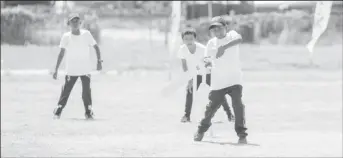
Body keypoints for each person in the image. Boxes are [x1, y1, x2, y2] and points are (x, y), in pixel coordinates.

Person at [193, 16, 248, 144]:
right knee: (211, 108)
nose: (217, 32)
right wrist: (205, 64)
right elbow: (207, 59)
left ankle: (242, 134)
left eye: (219, 28)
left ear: (226, 28)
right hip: (218, 82)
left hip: (234, 79)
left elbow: (240, 39)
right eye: (214, 29)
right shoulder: (211, 43)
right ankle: (201, 130)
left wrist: (224, 47)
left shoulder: (232, 35)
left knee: (238, 106)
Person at [177, 27, 234, 123]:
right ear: (183, 40)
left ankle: (230, 115)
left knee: (219, 93)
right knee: (189, 91)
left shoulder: (202, 49)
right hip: (196, 74)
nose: (189, 41)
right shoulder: (182, 50)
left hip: (208, 72)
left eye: (191, 39)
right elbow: (184, 66)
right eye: (186, 39)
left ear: (194, 39)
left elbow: (210, 62)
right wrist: (190, 79)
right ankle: (187, 116)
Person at [52, 13, 103, 120]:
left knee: (86, 92)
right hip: (71, 70)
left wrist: (99, 61)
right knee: (66, 91)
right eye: (73, 21)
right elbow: (61, 53)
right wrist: (56, 69)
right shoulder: (66, 37)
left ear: (80, 23)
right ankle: (58, 111)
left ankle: (88, 112)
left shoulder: (86, 34)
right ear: (69, 24)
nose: (75, 23)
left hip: (85, 69)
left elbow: (96, 47)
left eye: (77, 21)